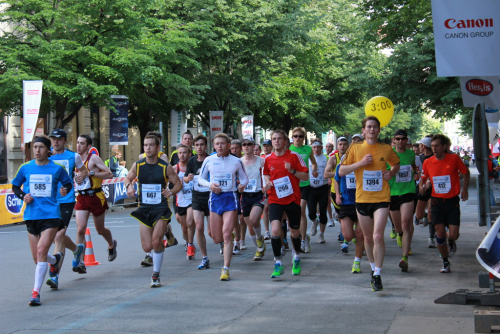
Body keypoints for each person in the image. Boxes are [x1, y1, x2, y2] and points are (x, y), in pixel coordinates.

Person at [339, 116, 400, 291]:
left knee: (378, 236)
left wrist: (391, 173)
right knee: (366, 237)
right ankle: (373, 270)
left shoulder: (386, 148)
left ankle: (379, 274)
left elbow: (395, 164)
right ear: (364, 130)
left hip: (381, 198)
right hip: (362, 199)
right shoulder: (355, 148)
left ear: (379, 130)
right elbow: (341, 171)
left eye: (375, 127)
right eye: (369, 127)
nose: (372, 129)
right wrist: (360, 163)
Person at [12, 135, 73, 306]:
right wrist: (24, 196)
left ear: (48, 150)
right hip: (32, 215)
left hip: (51, 215)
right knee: (38, 257)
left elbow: (68, 184)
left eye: (41, 147)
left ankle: (35, 293)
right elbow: (15, 186)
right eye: (35, 147)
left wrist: (64, 190)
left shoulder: (57, 168)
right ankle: (55, 260)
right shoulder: (25, 168)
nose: (37, 151)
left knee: (41, 251)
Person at [125, 135, 182, 287]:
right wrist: (129, 186)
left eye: (151, 145)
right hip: (144, 208)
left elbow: (178, 184)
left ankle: (155, 275)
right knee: (147, 247)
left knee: (156, 242)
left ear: (158, 148)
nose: (148, 148)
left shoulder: (165, 167)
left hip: (160, 208)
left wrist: (171, 191)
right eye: (145, 145)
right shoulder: (138, 165)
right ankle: (167, 232)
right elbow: (127, 178)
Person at [198, 133, 249, 281]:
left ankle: (225, 268)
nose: (220, 146)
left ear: (228, 145)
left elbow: (245, 178)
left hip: (230, 198)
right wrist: (210, 185)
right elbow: (200, 179)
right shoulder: (209, 160)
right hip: (215, 198)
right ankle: (228, 238)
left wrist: (241, 185)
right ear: (214, 145)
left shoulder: (236, 161)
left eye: (223, 143)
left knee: (226, 235)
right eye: (217, 143)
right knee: (216, 237)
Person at [419, 134, 470, 273]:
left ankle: (451, 241)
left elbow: (466, 172)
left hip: (452, 201)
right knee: (440, 234)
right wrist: (422, 187)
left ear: (444, 147)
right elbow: (422, 180)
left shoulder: (453, 159)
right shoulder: (428, 162)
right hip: (436, 202)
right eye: (433, 146)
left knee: (453, 235)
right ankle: (445, 261)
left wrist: (464, 189)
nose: (434, 149)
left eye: (437, 146)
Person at [263, 130, 308, 280]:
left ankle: (296, 257)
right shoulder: (268, 159)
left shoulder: (294, 156)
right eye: (274, 139)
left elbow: (305, 176)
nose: (276, 141)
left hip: (293, 199)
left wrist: (292, 170)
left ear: (285, 141)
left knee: (295, 232)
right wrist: (267, 183)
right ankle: (278, 263)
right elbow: (266, 175)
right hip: (275, 199)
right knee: (275, 230)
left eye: (279, 139)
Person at [46, 129, 88, 288]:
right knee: (58, 236)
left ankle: (54, 275)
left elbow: (83, 170)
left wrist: (80, 176)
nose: (55, 142)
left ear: (64, 140)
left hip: (66, 200)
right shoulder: (46, 155)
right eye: (53, 139)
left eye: (59, 139)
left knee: (58, 236)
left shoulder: (73, 156)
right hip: (48, 201)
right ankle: (77, 250)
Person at [74, 134, 116, 273]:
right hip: (81, 197)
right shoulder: (74, 159)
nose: (78, 145)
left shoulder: (93, 158)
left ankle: (111, 244)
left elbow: (109, 174)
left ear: (88, 146)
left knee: (100, 230)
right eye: (77, 143)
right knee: (80, 229)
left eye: (82, 143)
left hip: (96, 196)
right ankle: (79, 261)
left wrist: (91, 173)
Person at [388, 130, 417, 272]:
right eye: (397, 139)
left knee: (406, 223)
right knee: (399, 227)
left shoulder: (411, 154)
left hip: (408, 191)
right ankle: (399, 234)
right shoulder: (389, 154)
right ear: (394, 140)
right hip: (393, 193)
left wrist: (416, 173)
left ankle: (404, 257)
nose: (400, 141)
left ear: (406, 140)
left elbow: (413, 166)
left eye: (403, 139)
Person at [334, 149, 365, 273]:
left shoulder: (361, 165)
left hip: (361, 201)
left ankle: (357, 262)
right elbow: (336, 180)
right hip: (346, 203)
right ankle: (355, 234)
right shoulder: (341, 166)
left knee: (360, 235)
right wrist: (337, 194)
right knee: (347, 235)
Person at [184, 134, 212, 269]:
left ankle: (224, 241)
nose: (199, 147)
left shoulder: (211, 159)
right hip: (197, 197)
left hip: (211, 197)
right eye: (197, 145)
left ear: (205, 146)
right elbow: (185, 178)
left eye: (202, 145)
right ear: (193, 147)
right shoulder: (191, 161)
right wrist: (188, 178)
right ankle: (205, 257)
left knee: (213, 233)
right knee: (199, 227)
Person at [289, 127, 317, 253]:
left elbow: (313, 162)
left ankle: (303, 240)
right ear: (292, 137)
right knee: (292, 213)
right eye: (295, 136)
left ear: (304, 138)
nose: (298, 138)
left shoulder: (308, 149)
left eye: (300, 136)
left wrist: (314, 170)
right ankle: (296, 237)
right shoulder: (289, 149)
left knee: (301, 210)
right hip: (292, 185)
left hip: (304, 184)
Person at [240, 136, 267, 260]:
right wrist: (238, 186)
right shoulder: (239, 162)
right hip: (245, 195)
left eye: (249, 144)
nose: (246, 146)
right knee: (249, 226)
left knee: (254, 219)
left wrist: (267, 184)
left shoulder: (261, 161)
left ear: (253, 146)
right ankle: (259, 248)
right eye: (244, 144)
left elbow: (268, 174)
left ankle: (260, 238)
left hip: (258, 195)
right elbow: (234, 177)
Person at [174, 145, 195, 260]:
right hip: (180, 201)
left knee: (190, 223)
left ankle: (191, 246)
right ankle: (188, 243)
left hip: (192, 200)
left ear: (189, 154)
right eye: (180, 153)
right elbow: (169, 184)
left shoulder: (193, 166)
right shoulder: (174, 168)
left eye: (185, 153)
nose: (182, 155)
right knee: (184, 227)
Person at [415, 136, 436, 247]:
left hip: (433, 188)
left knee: (432, 213)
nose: (418, 147)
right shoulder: (419, 158)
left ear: (423, 146)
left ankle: (431, 238)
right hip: (422, 188)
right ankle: (426, 215)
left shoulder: (434, 157)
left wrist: (429, 181)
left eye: (419, 145)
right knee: (418, 215)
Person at [307, 139, 330, 243]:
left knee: (323, 212)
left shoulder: (326, 158)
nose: (316, 149)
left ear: (322, 148)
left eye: (318, 147)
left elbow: (330, 171)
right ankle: (314, 221)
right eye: (314, 147)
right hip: (311, 188)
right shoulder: (308, 158)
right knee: (311, 212)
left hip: (323, 187)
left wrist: (329, 178)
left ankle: (321, 234)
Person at [262, 139, 273, 240]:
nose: (265, 148)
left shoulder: (273, 157)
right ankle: (266, 231)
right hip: (264, 187)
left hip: (273, 186)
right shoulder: (261, 158)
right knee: (265, 208)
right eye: (264, 146)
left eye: (267, 146)